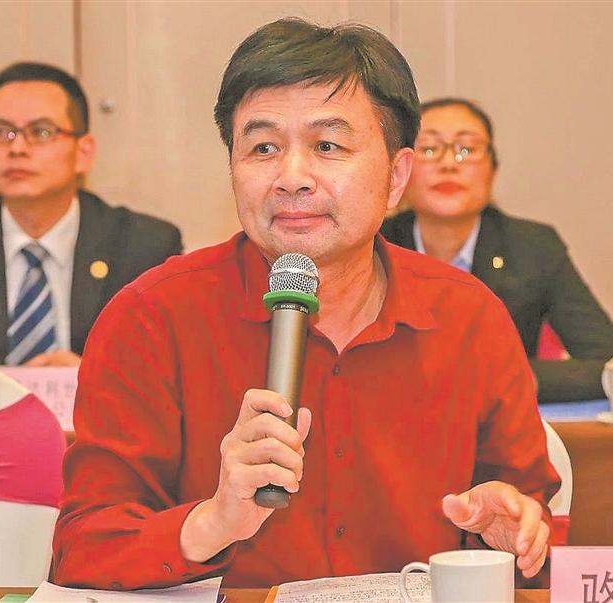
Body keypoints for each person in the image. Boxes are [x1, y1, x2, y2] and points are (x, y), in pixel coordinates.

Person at [52, 19, 559, 590]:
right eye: (263, 147)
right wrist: (212, 522)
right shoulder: (152, 317)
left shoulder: (469, 318)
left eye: (327, 146)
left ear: (396, 177)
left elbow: (531, 524)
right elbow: (83, 548)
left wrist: (508, 535)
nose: (291, 178)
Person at [0, 62, 183, 367]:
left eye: (41, 132)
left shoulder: (144, 247)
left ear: (83, 152)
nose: (17, 148)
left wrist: (93, 378)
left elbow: (165, 368)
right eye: (0, 132)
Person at [381, 98, 613, 402]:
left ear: (492, 171)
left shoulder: (533, 247)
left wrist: (498, 376)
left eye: (466, 149)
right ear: (400, 171)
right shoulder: (372, 246)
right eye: (429, 149)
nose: (449, 164)